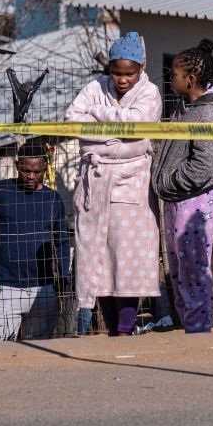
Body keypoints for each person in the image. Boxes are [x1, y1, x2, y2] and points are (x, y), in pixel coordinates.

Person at [65, 31, 162, 336]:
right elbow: (72, 120)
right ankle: (111, 329)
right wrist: (119, 134)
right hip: (95, 184)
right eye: (116, 73)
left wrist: (97, 117)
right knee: (98, 259)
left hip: (131, 188)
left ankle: (125, 327)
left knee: (127, 259)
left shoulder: (151, 93)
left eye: (129, 74)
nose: (122, 80)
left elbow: (139, 129)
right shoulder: (94, 86)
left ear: (141, 68)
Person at [151, 40, 213, 333]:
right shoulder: (187, 107)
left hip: (195, 202)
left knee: (195, 271)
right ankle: (189, 328)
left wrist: (168, 180)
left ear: (191, 79)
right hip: (178, 199)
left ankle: (198, 333)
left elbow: (203, 166)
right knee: (181, 271)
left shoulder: (207, 114)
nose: (171, 78)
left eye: (174, 73)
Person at [0, 141, 69, 341]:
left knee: (40, 354)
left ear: (44, 168)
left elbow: (62, 242)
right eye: (26, 171)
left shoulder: (53, 199)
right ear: (17, 166)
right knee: (0, 351)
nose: (31, 176)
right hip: (6, 288)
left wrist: (63, 278)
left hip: (43, 289)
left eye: (37, 171)